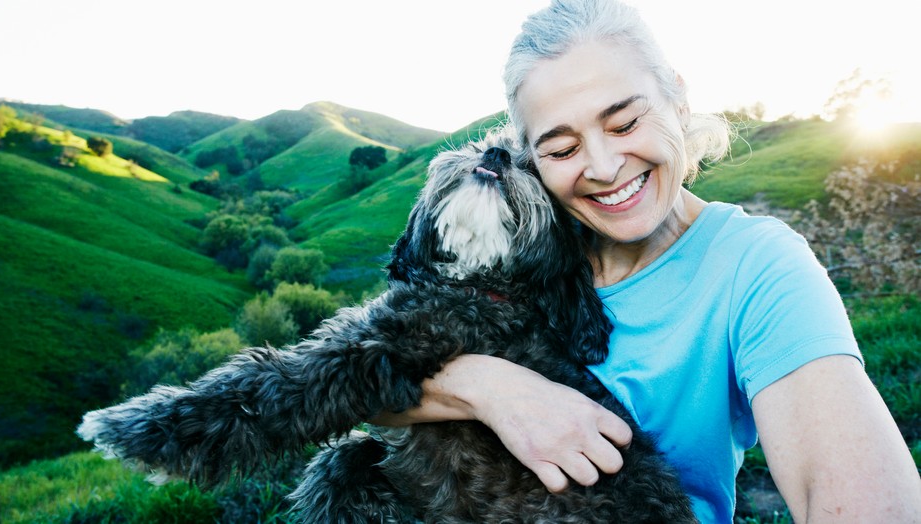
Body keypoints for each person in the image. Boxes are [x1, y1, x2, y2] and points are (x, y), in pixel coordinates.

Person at [376, 0, 921, 521]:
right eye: (563, 150)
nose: (604, 167)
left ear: (677, 101)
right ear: (531, 158)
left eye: (624, 124)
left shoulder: (757, 267)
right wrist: (492, 391)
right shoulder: (515, 245)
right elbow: (362, 385)